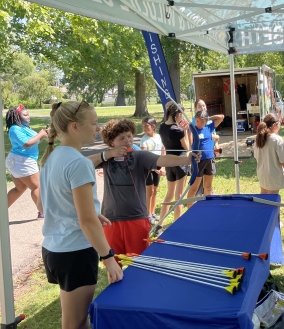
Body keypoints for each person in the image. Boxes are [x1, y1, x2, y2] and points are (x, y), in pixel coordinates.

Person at [37, 101, 123, 329]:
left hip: (55, 249)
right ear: (75, 126)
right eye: (94, 123)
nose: (97, 128)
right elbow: (86, 222)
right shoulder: (78, 163)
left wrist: (93, 213)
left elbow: (44, 202)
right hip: (75, 252)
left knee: (75, 321)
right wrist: (109, 258)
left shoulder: (50, 158)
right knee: (75, 324)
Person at [88, 119, 198, 257]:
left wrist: (186, 160)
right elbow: (82, 163)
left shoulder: (139, 156)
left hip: (136, 218)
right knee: (113, 262)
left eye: (129, 136)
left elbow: (162, 160)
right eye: (121, 138)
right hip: (111, 220)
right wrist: (107, 154)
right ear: (111, 143)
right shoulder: (106, 159)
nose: (127, 140)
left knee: (139, 261)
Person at [5, 104, 48, 218]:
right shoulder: (15, 129)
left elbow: (34, 142)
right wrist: (40, 134)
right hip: (22, 161)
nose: (28, 116)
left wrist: (44, 134)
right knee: (37, 187)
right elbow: (27, 143)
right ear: (17, 117)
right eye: (25, 115)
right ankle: (43, 211)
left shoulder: (24, 128)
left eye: (28, 114)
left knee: (20, 188)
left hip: (19, 161)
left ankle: (2, 212)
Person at [158, 103, 191, 229]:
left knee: (169, 194)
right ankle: (177, 224)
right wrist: (185, 130)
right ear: (177, 114)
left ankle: (160, 223)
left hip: (168, 162)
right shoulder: (177, 130)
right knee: (179, 196)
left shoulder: (162, 127)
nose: (182, 117)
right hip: (180, 162)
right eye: (181, 114)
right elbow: (187, 147)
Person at [187, 110, 224, 206]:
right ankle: (189, 209)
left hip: (210, 160)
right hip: (198, 161)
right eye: (197, 121)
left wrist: (208, 118)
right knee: (194, 187)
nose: (199, 123)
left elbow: (221, 116)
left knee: (208, 187)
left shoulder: (209, 127)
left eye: (202, 122)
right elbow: (189, 144)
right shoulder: (193, 129)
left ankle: (209, 207)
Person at [253, 113, 284, 194]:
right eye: (279, 124)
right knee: (272, 201)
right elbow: (283, 160)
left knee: (263, 198)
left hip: (262, 173)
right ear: (275, 125)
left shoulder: (258, 139)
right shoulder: (277, 140)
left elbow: (256, 156)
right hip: (274, 175)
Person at [140, 116, 166, 224]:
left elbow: (163, 150)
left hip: (158, 166)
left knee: (155, 191)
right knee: (149, 192)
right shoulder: (143, 140)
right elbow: (144, 156)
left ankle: (153, 212)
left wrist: (163, 167)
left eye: (146, 126)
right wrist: (154, 168)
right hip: (147, 169)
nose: (144, 128)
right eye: (143, 126)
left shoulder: (159, 137)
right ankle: (147, 214)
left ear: (153, 126)